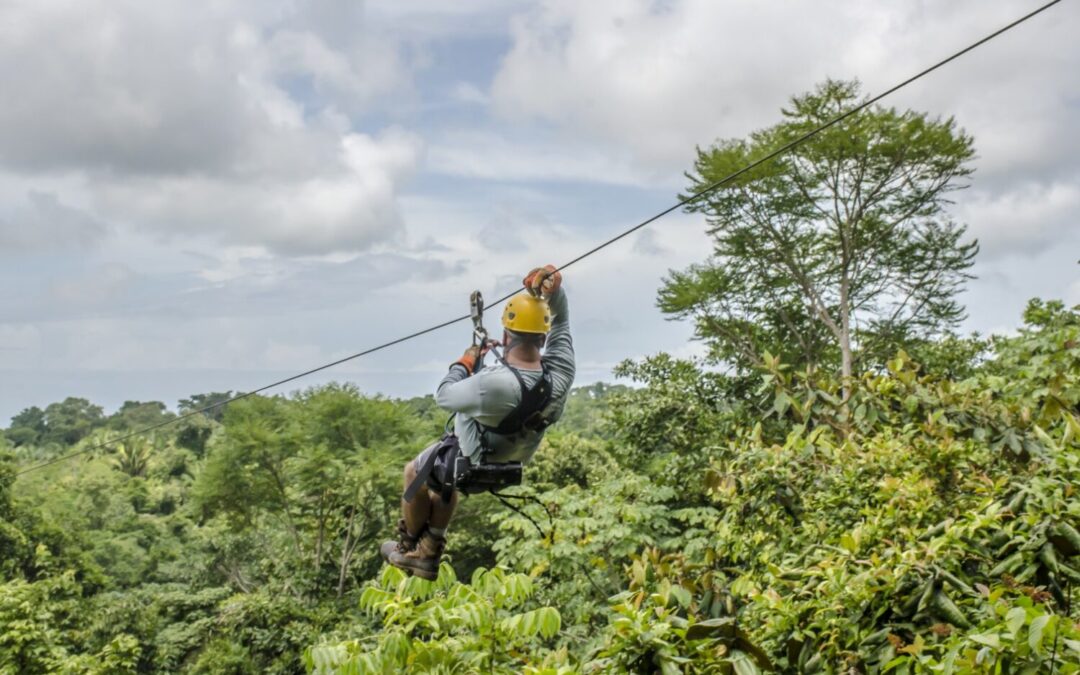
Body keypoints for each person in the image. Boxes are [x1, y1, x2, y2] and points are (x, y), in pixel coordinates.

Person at [380, 265, 576, 579]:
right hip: (514, 457)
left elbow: (444, 395)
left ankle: (410, 550)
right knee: (443, 484)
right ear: (543, 336)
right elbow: (562, 321)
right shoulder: (561, 372)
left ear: (506, 334)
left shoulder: (492, 385)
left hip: (476, 456)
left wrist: (466, 362)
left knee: (413, 472)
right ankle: (430, 547)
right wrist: (553, 291)